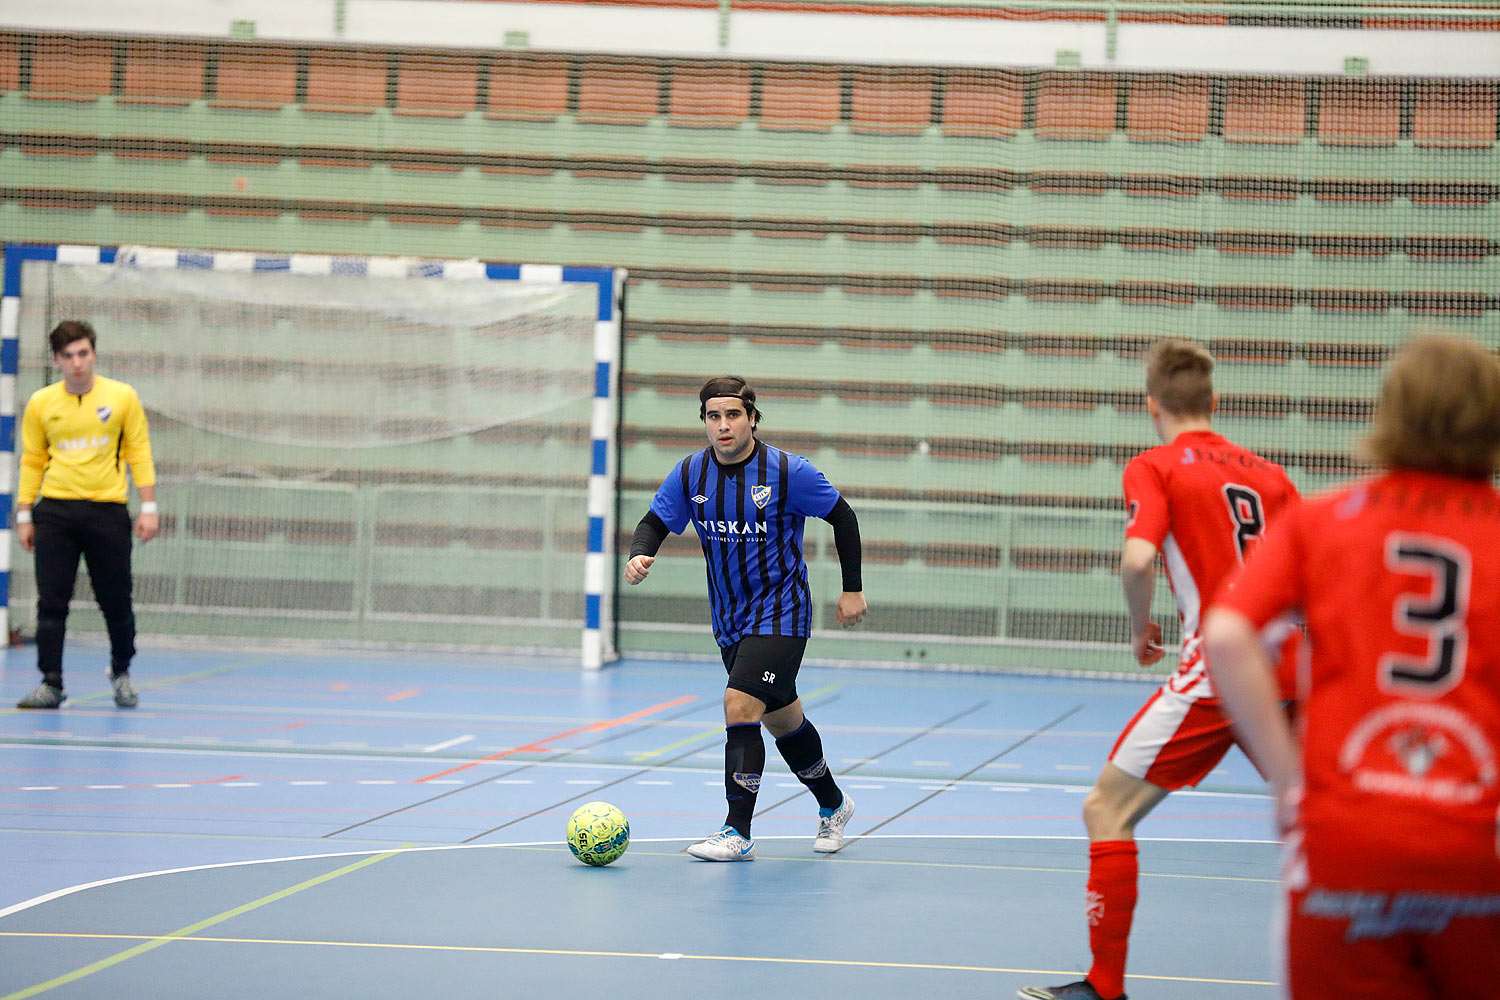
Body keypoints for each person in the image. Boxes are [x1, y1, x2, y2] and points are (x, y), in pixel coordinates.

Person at [1203, 334, 1500, 999]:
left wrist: (1288, 782)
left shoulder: (1326, 519)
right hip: (1475, 846)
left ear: (1389, 413)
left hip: (1345, 839)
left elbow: (1226, 635)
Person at [1020, 339, 1300, 1000]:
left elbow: (1138, 559)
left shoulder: (1156, 466)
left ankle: (1104, 986)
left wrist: (1139, 624)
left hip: (1220, 671)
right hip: (1290, 670)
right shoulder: (1272, 476)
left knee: (1106, 808)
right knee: (1328, 825)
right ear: (1215, 402)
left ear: (1153, 407)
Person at [625, 375, 865, 861]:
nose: (723, 425)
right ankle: (834, 804)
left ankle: (737, 831)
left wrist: (852, 589)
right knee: (783, 721)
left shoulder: (787, 471)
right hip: (730, 620)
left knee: (739, 703)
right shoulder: (690, 474)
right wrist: (640, 553)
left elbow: (843, 516)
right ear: (705, 423)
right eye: (714, 416)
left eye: (733, 415)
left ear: (752, 418)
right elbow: (654, 521)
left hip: (782, 612)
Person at [14, 320, 159, 710]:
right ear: (56, 361)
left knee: (116, 600)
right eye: (68, 356)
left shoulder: (123, 398)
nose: (77, 363)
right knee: (52, 602)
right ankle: (51, 682)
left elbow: (139, 452)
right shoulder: (41, 403)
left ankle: (121, 671)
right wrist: (25, 513)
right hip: (56, 512)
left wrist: (148, 507)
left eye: (83, 353)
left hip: (107, 511)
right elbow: (32, 460)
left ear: (93, 354)